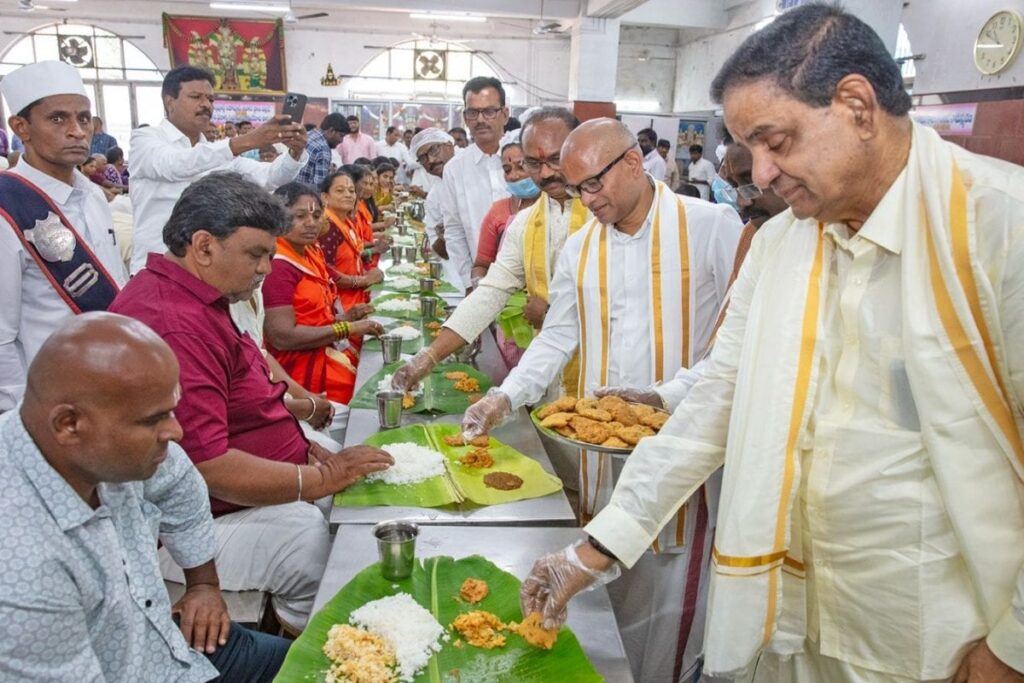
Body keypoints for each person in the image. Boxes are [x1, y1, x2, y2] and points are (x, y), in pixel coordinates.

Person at [520, 5, 1024, 683]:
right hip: (792, 622)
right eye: (748, 147)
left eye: (776, 141)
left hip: (933, 639)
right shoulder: (784, 243)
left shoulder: (997, 226)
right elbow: (712, 402)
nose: (759, 174)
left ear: (856, 105)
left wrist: (1013, 648)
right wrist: (591, 552)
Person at [460, 118, 741, 683]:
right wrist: (503, 397)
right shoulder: (582, 244)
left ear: (634, 162)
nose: (587, 199)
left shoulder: (711, 225)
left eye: (595, 184)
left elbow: (736, 349)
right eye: (577, 187)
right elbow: (558, 336)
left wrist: (660, 397)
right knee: (602, 594)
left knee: (668, 609)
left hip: (681, 456)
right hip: (599, 460)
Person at [110, 172, 393, 630]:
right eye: (257, 254)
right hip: (192, 531)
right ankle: (321, 650)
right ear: (203, 247)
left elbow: (254, 381)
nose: (266, 267)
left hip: (255, 484)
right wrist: (314, 479)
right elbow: (208, 466)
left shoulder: (200, 295)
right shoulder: (175, 324)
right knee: (313, 546)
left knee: (373, 490)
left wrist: (307, 453)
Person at [0, 312, 292, 681]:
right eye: (153, 419)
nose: (176, 430)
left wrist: (203, 583)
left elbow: (180, 484)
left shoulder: (96, 446)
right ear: (69, 424)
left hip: (170, 649)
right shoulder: (22, 572)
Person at [393, 108, 586, 398]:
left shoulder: (604, 216)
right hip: (550, 369)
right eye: (534, 163)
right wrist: (429, 356)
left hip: (602, 371)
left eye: (555, 159)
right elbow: (492, 289)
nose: (544, 173)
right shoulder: (527, 222)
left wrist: (549, 312)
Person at [0, 60, 126, 413]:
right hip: (47, 398)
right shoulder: (7, 207)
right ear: (20, 127)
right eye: (58, 119)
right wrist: (19, 415)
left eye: (83, 119)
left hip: (108, 376)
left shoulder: (93, 195)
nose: (77, 131)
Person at [128, 65, 308, 273]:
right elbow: (174, 165)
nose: (206, 105)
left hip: (208, 269)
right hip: (158, 266)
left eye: (211, 99)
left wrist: (295, 152)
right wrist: (246, 141)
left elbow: (270, 177)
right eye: (196, 97)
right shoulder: (146, 139)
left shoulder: (217, 151)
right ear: (170, 101)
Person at [263, 182, 384, 404]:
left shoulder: (311, 250)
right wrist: (346, 328)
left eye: (317, 215)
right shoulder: (278, 266)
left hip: (325, 351)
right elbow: (282, 337)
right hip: (301, 373)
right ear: (278, 218)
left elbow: (314, 315)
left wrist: (346, 317)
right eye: (299, 216)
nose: (311, 223)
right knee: (368, 397)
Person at [439, 77, 512, 289]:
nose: (480, 119)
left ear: (505, 114)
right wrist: (469, 282)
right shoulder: (455, 169)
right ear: (465, 117)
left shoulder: (523, 160)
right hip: (481, 281)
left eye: (489, 111)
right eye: (473, 113)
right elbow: (454, 231)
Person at [472, 141, 540, 280]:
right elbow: (481, 265)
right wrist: (479, 286)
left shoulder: (556, 207)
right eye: (507, 170)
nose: (513, 176)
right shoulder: (497, 212)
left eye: (521, 167)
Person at [319, 169, 384, 312]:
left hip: (355, 299)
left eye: (351, 191)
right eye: (340, 191)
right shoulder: (327, 226)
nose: (348, 195)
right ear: (325, 197)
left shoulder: (345, 221)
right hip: (340, 307)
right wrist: (364, 280)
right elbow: (325, 272)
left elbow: (354, 253)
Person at [407, 128, 459, 283]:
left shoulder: (474, 173)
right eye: (422, 158)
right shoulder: (434, 196)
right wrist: (444, 237)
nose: (430, 160)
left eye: (434, 150)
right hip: (458, 279)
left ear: (449, 145)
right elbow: (439, 252)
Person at [298, 112, 349, 187]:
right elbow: (320, 186)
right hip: (305, 194)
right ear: (331, 131)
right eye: (341, 136)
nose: (341, 141)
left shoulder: (309, 134)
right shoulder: (323, 148)